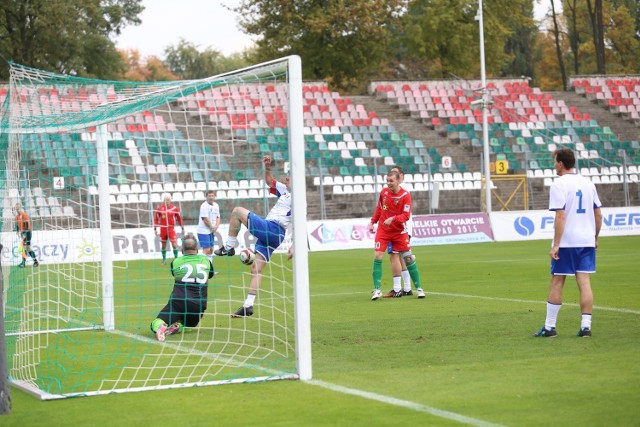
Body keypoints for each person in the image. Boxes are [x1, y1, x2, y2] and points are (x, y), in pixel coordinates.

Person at [534, 148, 602, 338]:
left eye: (555, 161)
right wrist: (595, 237)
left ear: (561, 163)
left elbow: (560, 215)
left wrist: (556, 244)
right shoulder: (588, 183)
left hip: (567, 242)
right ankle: (586, 327)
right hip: (586, 241)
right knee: (584, 282)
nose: (554, 165)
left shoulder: (559, 184)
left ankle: (549, 327)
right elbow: (598, 214)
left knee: (557, 282)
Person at [214, 155, 292, 317]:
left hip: (273, 229)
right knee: (256, 269)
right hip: (274, 235)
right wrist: (267, 167)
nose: (286, 178)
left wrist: (294, 246)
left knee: (237, 211)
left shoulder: (299, 199)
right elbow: (270, 181)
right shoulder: (285, 192)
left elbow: (301, 221)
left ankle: (228, 247)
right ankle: (248, 306)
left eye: (289, 177)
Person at [150, 234, 215, 342]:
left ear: (182, 249)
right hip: (197, 307)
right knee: (188, 326)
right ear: (197, 248)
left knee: (155, 322)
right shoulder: (206, 261)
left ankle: (161, 326)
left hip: (178, 303)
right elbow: (211, 275)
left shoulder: (176, 262)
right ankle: (179, 326)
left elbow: (175, 274)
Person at [369, 170, 422, 300]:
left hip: (399, 231)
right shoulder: (384, 193)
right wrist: (372, 222)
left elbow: (406, 215)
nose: (388, 183)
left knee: (408, 258)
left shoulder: (405, 195)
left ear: (398, 180)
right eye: (387, 180)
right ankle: (377, 290)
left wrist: (392, 219)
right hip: (384, 231)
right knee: (378, 255)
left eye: (391, 181)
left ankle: (418, 288)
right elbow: (379, 208)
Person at [386, 166, 425, 299]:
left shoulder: (402, 192)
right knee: (404, 257)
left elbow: (404, 213)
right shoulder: (397, 191)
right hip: (405, 227)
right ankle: (407, 288)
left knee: (394, 256)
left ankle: (397, 288)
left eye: (395, 174)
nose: (392, 177)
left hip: (399, 228)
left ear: (401, 176)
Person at [154, 194, 185, 265]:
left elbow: (179, 219)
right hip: (163, 229)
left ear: (170, 200)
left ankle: (176, 259)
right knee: (163, 245)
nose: (167, 201)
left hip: (171, 229)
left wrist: (182, 228)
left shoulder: (175, 208)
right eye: (165, 200)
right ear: (163, 200)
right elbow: (156, 219)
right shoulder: (160, 209)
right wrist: (155, 228)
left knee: (174, 244)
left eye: (168, 200)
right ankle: (164, 260)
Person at [196, 190, 221, 264]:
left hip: (211, 231)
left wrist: (216, 226)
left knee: (210, 250)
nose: (211, 197)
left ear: (215, 196)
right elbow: (205, 219)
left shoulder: (216, 205)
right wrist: (212, 228)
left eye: (212, 196)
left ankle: (210, 269)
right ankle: (200, 266)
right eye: (209, 196)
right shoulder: (204, 206)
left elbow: (218, 217)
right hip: (203, 231)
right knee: (206, 250)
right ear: (206, 197)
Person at [15, 203, 39, 267]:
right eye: (17, 208)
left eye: (19, 208)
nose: (18, 209)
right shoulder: (17, 217)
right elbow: (17, 224)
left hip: (27, 232)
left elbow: (26, 224)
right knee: (28, 248)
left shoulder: (24, 215)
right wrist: (17, 231)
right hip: (23, 233)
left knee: (24, 247)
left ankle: (23, 263)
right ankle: (35, 262)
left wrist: (24, 234)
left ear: (21, 208)